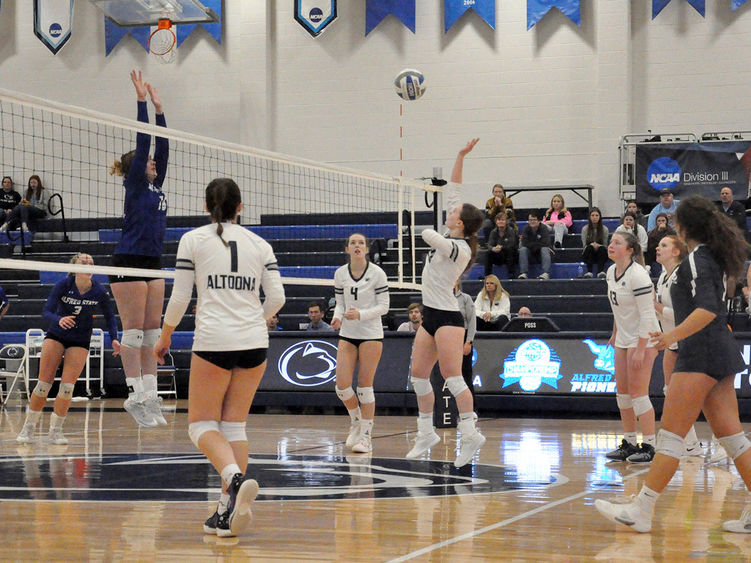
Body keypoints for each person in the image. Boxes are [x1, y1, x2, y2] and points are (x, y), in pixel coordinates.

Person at [595, 196, 751, 534]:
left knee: (671, 437)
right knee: (733, 438)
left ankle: (642, 509)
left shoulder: (697, 260)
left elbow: (708, 309)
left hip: (700, 353)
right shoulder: (708, 256)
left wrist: (671, 337)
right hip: (716, 352)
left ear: (682, 227)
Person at [153, 178, 285, 538]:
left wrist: (165, 335)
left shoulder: (193, 240)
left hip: (214, 340)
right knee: (234, 427)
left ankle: (233, 478)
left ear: (206, 206)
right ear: (240, 207)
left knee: (200, 426)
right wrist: (253, 319)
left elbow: (180, 298)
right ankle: (226, 513)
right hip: (254, 342)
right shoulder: (260, 243)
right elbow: (277, 299)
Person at [405, 138, 485, 468]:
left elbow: (427, 235)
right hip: (430, 315)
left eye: (453, 213)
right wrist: (460, 155)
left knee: (453, 378)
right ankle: (426, 432)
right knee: (419, 376)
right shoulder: (454, 230)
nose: (450, 211)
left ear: (461, 223)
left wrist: (430, 228)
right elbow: (454, 189)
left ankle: (470, 434)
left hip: (450, 318)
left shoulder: (460, 248)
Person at [108, 70, 169, 428]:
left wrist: (161, 111)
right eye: (147, 161)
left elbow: (160, 146)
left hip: (152, 262)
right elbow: (145, 143)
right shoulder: (134, 186)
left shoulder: (155, 186)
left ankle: (151, 395)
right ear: (135, 167)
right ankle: (135, 395)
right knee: (132, 333)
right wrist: (142, 103)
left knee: (150, 333)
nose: (153, 163)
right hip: (128, 261)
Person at [16, 253, 121, 445]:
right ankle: (28, 428)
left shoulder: (99, 291)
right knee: (43, 384)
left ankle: (55, 431)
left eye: (91, 261)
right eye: (84, 261)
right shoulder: (63, 285)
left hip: (80, 339)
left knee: (67, 388)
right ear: (75, 267)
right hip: (57, 336)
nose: (89, 263)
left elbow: (110, 317)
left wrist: (114, 339)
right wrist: (59, 319)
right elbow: (46, 311)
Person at [603, 232, 660, 464]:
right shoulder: (610, 272)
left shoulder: (638, 276)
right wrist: (615, 333)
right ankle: (628, 443)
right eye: (611, 241)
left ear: (629, 250)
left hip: (644, 339)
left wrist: (640, 347)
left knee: (638, 394)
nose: (611, 245)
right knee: (623, 395)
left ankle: (650, 445)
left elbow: (647, 314)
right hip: (624, 339)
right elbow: (618, 308)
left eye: (617, 242)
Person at [329, 233, 389, 454]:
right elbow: (340, 303)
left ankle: (366, 437)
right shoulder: (340, 274)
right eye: (353, 243)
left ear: (366, 249)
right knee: (342, 386)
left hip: (371, 334)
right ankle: (356, 421)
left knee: (364, 387)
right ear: (347, 249)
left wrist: (361, 314)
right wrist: (337, 316)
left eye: (361, 242)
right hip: (348, 332)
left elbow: (384, 306)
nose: (357, 246)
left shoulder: (377, 274)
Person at [653, 234, 701, 457]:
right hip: (671, 340)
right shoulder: (662, 276)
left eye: (664, 245)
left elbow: (687, 315)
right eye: (658, 244)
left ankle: (721, 441)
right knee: (669, 392)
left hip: (688, 339)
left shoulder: (683, 275)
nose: (658, 248)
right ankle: (690, 444)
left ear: (676, 251)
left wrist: (659, 309)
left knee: (698, 396)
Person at [455, 279, 477, 400]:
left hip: (462, 337)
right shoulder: (442, 299)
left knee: (465, 374)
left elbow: (472, 321)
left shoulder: (465, 298)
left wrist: (468, 341)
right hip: (447, 338)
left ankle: (471, 407)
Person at [518, 211, 552, 280]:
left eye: (534, 220)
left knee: (544, 249)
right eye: (530, 220)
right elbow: (524, 243)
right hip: (530, 254)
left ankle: (545, 273)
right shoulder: (526, 229)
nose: (532, 222)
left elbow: (545, 243)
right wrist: (536, 244)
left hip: (541, 254)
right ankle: (523, 273)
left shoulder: (544, 228)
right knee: (523, 249)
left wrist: (532, 245)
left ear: (539, 221)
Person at [484, 213, 518, 278]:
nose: (500, 222)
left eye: (503, 220)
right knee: (488, 253)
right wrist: (493, 248)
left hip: (509, 256)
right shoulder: (493, 232)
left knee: (510, 250)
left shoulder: (511, 231)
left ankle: (512, 275)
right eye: (499, 220)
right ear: (496, 222)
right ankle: (487, 276)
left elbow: (512, 244)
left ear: (506, 221)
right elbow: (489, 245)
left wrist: (501, 247)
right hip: (498, 255)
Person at [580, 207, 609, 278]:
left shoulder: (604, 229)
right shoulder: (585, 229)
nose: (594, 217)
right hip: (588, 253)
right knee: (590, 248)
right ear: (589, 217)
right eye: (592, 215)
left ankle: (601, 272)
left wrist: (598, 245)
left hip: (601, 253)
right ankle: (589, 272)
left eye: (596, 215)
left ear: (600, 217)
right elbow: (584, 246)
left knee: (602, 249)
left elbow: (605, 245)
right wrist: (592, 245)